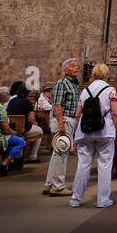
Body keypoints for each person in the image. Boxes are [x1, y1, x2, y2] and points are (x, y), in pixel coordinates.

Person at [70, 63, 117, 208]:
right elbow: (115, 113)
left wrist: (74, 133)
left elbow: (78, 114)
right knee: (104, 166)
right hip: (105, 131)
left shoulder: (84, 91)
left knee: (83, 165)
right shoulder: (111, 90)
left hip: (85, 131)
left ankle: (76, 199)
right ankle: (103, 200)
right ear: (106, 75)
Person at [43, 57, 81, 198]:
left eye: (77, 66)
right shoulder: (62, 83)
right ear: (65, 69)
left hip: (68, 119)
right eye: (72, 66)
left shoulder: (74, 83)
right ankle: (58, 187)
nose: (76, 68)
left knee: (57, 153)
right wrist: (61, 124)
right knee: (61, 153)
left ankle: (49, 184)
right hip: (63, 120)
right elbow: (57, 105)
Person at [0, 86, 26, 176]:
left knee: (13, 140)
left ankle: (8, 165)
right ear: (3, 97)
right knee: (21, 142)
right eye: (7, 94)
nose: (9, 95)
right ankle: (4, 165)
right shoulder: (0, 109)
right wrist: (16, 133)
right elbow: (6, 130)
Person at [7, 83, 43, 163]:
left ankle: (19, 156)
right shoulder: (27, 103)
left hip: (11, 127)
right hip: (24, 128)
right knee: (40, 130)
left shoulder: (11, 101)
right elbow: (31, 119)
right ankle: (33, 156)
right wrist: (35, 123)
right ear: (27, 93)